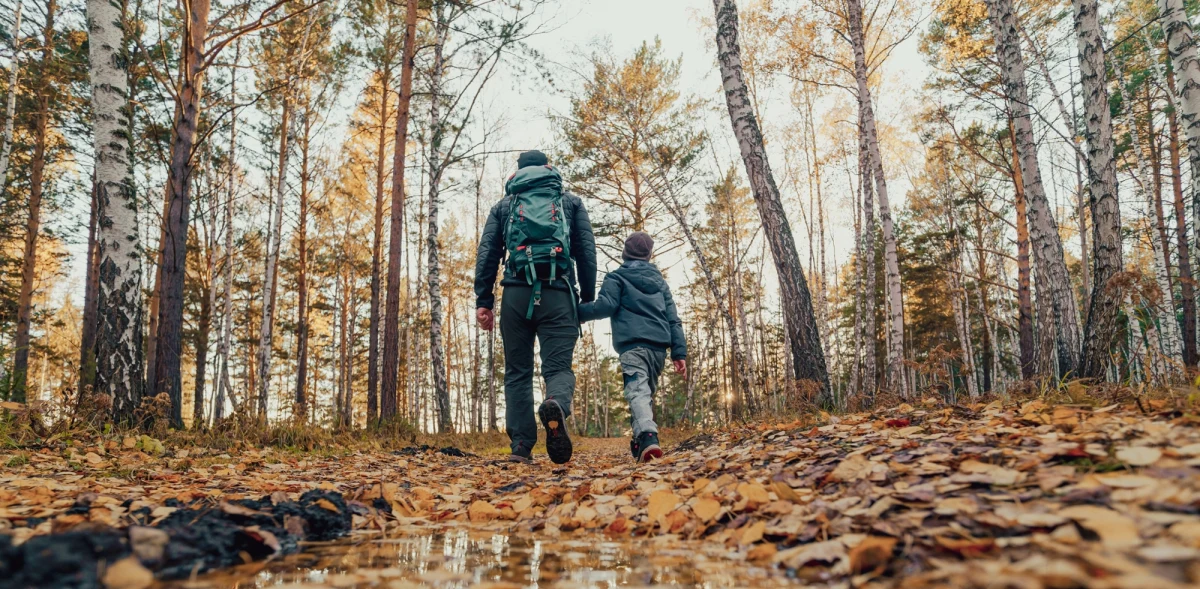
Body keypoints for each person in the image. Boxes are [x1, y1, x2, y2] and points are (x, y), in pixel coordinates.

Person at [474, 150, 596, 464]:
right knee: (557, 369)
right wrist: (586, 295)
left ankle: (521, 448)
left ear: (517, 173)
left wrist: (483, 301)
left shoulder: (504, 206)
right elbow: (586, 250)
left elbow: (487, 253)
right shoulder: (569, 202)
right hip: (557, 291)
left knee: (517, 372)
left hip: (515, 294)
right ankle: (555, 403)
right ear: (548, 168)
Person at [578, 232, 686, 463]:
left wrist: (578, 312)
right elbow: (673, 319)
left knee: (638, 392)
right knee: (644, 396)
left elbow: (605, 306)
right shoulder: (660, 283)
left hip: (633, 345)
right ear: (649, 254)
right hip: (659, 350)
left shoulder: (617, 278)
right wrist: (679, 353)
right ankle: (640, 443)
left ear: (625, 252)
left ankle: (648, 437)